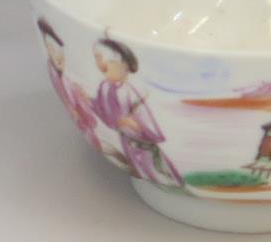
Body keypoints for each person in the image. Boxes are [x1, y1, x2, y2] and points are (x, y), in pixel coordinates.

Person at [90, 35, 184, 188]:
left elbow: (148, 125)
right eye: (97, 59)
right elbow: (104, 113)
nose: (101, 64)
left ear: (125, 66)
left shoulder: (129, 92)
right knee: (142, 169)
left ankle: (170, 184)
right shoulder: (105, 87)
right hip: (128, 143)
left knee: (157, 173)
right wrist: (87, 101)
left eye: (108, 62)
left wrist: (133, 124)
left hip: (143, 146)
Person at [37, 20, 111, 162]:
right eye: (51, 50)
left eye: (59, 52)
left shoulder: (67, 81)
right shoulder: (62, 78)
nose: (58, 57)